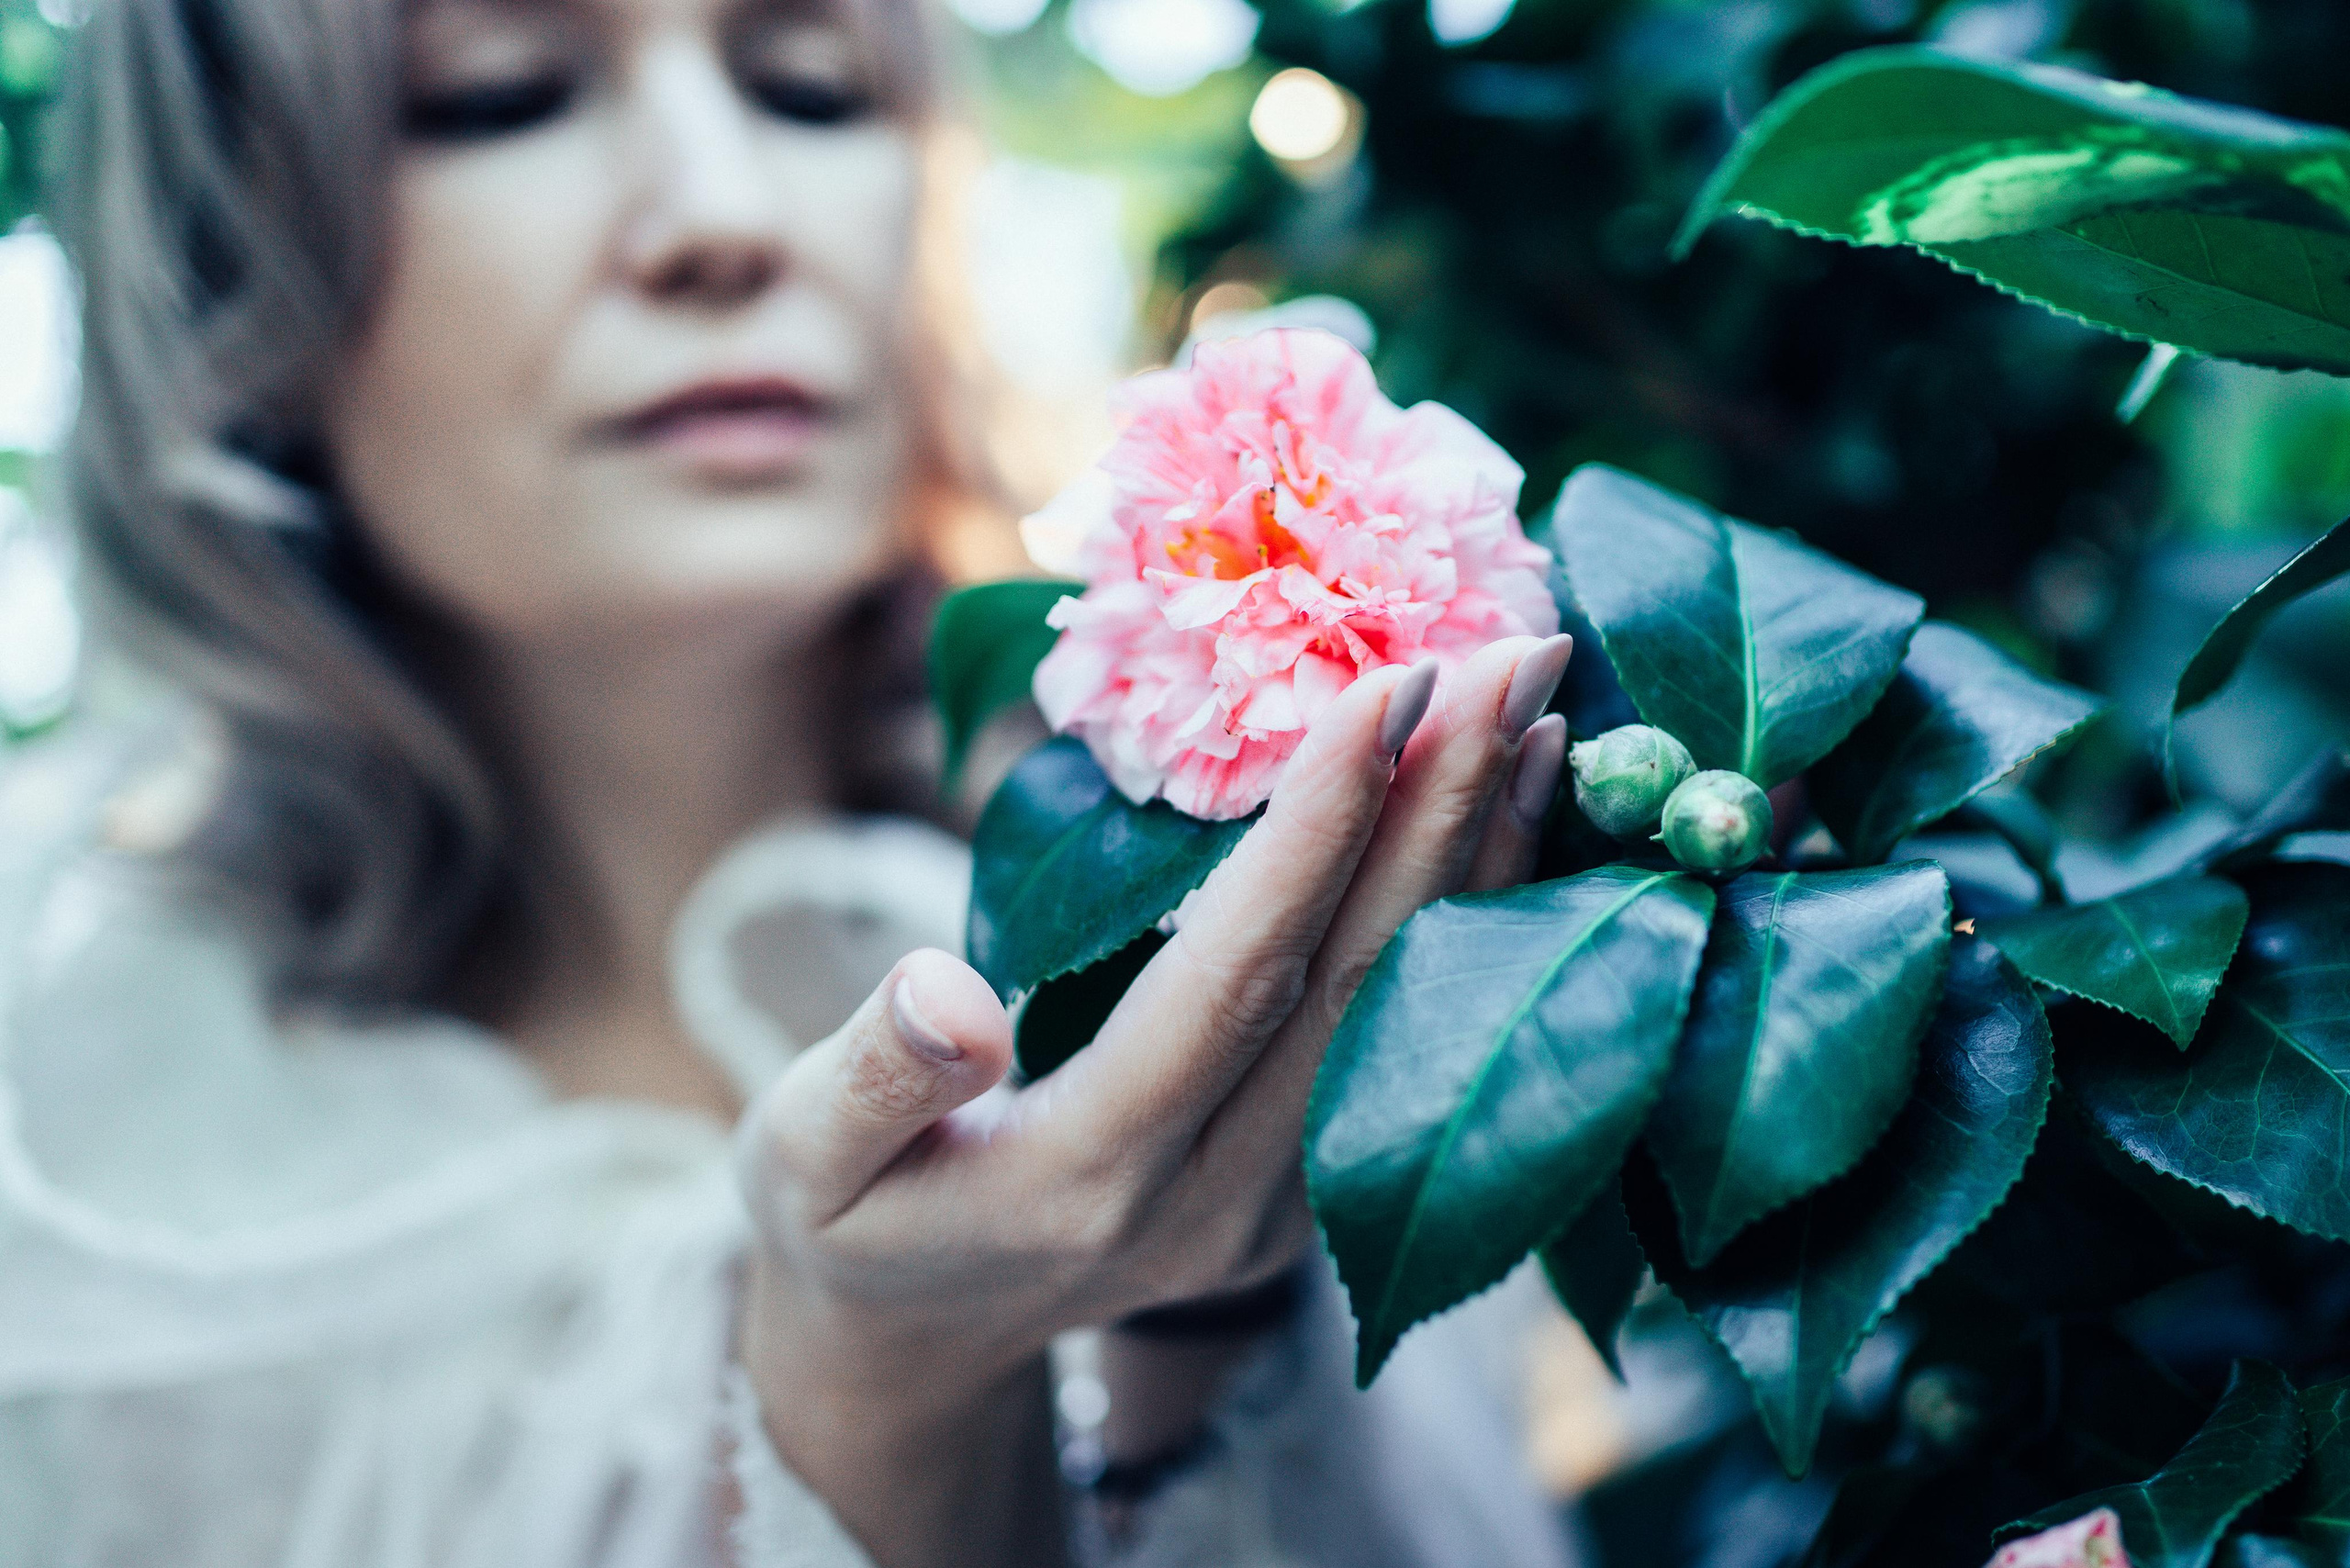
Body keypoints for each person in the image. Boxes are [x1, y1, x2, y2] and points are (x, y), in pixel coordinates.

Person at [0, 0, 1580, 1563]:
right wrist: (889, 1404)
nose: (726, 217)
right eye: (500, 98)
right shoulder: (79, 1176)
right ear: (225, 266)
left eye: (810, 90)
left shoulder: (1265, 914)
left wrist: (1207, 1317)